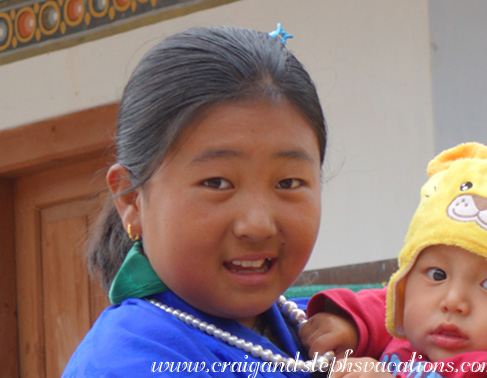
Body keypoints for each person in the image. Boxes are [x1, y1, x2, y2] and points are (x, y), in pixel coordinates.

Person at [63, 25, 332, 376]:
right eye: (217, 182)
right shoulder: (128, 360)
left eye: (288, 182)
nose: (258, 224)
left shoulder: (325, 328)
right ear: (130, 198)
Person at [300, 142, 487, 378]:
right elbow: (389, 305)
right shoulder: (418, 326)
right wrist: (353, 325)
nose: (453, 301)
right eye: (436, 275)